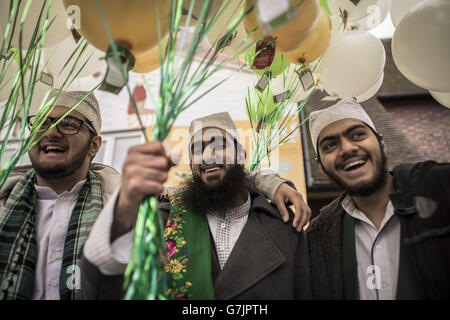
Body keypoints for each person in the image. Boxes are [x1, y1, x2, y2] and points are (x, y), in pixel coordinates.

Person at [80, 112, 312, 299]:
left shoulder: (284, 226)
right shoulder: (161, 220)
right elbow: (106, 287)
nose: (208, 156)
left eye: (218, 145)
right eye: (198, 149)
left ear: (241, 155)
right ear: (191, 165)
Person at [306, 98, 450, 300]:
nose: (347, 149)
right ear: (321, 167)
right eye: (330, 145)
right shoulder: (318, 237)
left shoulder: (441, 190)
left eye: (357, 135)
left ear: (382, 144)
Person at [0, 90, 121, 300]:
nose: (51, 132)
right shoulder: (4, 204)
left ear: (94, 145)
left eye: (69, 123)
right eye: (41, 123)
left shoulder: (121, 210)